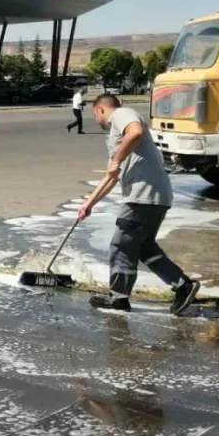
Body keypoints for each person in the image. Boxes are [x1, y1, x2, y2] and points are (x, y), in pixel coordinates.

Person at [76, 94, 200, 315]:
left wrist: (116, 161)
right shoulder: (116, 141)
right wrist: (89, 204)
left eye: (94, 115)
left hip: (143, 194)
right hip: (155, 195)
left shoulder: (122, 114)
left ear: (100, 110)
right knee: (144, 248)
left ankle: (119, 298)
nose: (97, 120)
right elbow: (111, 177)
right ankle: (183, 285)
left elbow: (136, 132)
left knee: (121, 245)